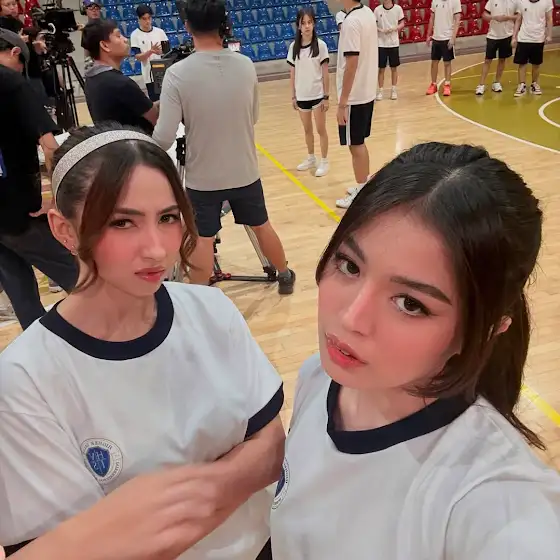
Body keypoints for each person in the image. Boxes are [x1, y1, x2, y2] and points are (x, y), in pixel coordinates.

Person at [0, 123, 284, 560]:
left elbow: (273, 448)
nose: (155, 249)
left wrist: (160, 510)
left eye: (168, 218)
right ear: (64, 229)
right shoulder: (25, 379)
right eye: (122, 222)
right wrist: (234, 475)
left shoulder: (212, 311)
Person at [269, 142, 560, 558]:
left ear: (486, 330)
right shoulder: (320, 375)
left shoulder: (495, 501)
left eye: (410, 303)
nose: (352, 317)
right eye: (350, 265)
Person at [153, 0, 295, 294]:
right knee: (262, 225)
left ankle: (201, 296)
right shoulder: (245, 65)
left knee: (203, 237)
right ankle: (284, 275)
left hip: (203, 176)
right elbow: (253, 116)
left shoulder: (177, 73)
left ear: (187, 26)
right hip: (244, 170)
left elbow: (164, 136)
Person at [0, 28, 78, 330]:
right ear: (15, 53)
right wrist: (58, 197)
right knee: (79, 276)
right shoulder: (12, 83)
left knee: (20, 291)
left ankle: (38, 347)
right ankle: (116, 339)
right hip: (18, 209)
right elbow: (49, 145)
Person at [334, 0, 378, 210]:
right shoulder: (367, 13)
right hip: (366, 91)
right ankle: (363, 186)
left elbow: (351, 63)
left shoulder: (351, 22)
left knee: (356, 145)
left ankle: (361, 193)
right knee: (359, 142)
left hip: (354, 96)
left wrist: (342, 103)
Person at [83, 19, 159, 134]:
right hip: (136, 142)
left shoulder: (91, 78)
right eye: (118, 36)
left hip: (112, 142)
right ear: (104, 45)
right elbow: (156, 119)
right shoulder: (120, 83)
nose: (125, 39)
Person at [287, 6, 330, 178]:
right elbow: (292, 74)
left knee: (321, 129)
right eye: (303, 23)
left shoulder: (321, 46)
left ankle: (324, 161)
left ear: (314, 24)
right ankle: (311, 157)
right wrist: (293, 95)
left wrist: (326, 96)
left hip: (318, 95)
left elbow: (326, 73)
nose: (306, 26)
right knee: (307, 130)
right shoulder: (293, 47)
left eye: (309, 22)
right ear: (298, 26)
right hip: (302, 96)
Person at [512, 0, 553, 96]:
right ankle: (522, 85)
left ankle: (534, 84)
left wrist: (549, 34)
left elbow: (549, 18)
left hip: (538, 38)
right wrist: (514, 36)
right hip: (523, 38)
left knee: (536, 64)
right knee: (522, 63)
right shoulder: (521, 1)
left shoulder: (547, 1)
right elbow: (518, 19)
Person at [475, 0, 516, 95]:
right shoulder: (492, 1)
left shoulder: (514, 2)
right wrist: (494, 17)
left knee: (502, 60)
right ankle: (481, 85)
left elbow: (518, 17)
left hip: (507, 35)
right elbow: (484, 15)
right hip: (493, 35)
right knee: (487, 60)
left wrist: (507, 18)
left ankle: (497, 82)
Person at [130, 4, 169, 102]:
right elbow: (138, 57)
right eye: (144, 19)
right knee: (156, 101)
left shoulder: (160, 32)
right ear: (139, 19)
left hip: (164, 72)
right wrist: (150, 52)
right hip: (149, 75)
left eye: (149, 18)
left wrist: (161, 52)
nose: (147, 21)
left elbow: (168, 52)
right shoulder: (135, 35)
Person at [425, 0, 462, 96]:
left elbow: (457, 20)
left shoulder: (455, 2)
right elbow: (432, 18)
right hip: (436, 37)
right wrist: (429, 34)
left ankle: (447, 84)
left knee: (447, 63)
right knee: (434, 62)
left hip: (447, 37)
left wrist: (453, 37)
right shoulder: (435, 1)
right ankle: (433, 84)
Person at [374, 0, 405, 101]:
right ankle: (380, 91)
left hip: (393, 43)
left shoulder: (398, 9)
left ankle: (394, 90)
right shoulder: (377, 10)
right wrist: (381, 30)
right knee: (381, 69)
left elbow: (402, 23)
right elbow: (374, 25)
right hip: (381, 43)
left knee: (394, 68)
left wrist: (394, 28)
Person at [80, 0, 103, 73]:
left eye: (96, 8)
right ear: (85, 11)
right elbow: (87, 52)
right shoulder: (86, 29)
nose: (94, 11)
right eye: (91, 8)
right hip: (94, 66)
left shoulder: (107, 27)